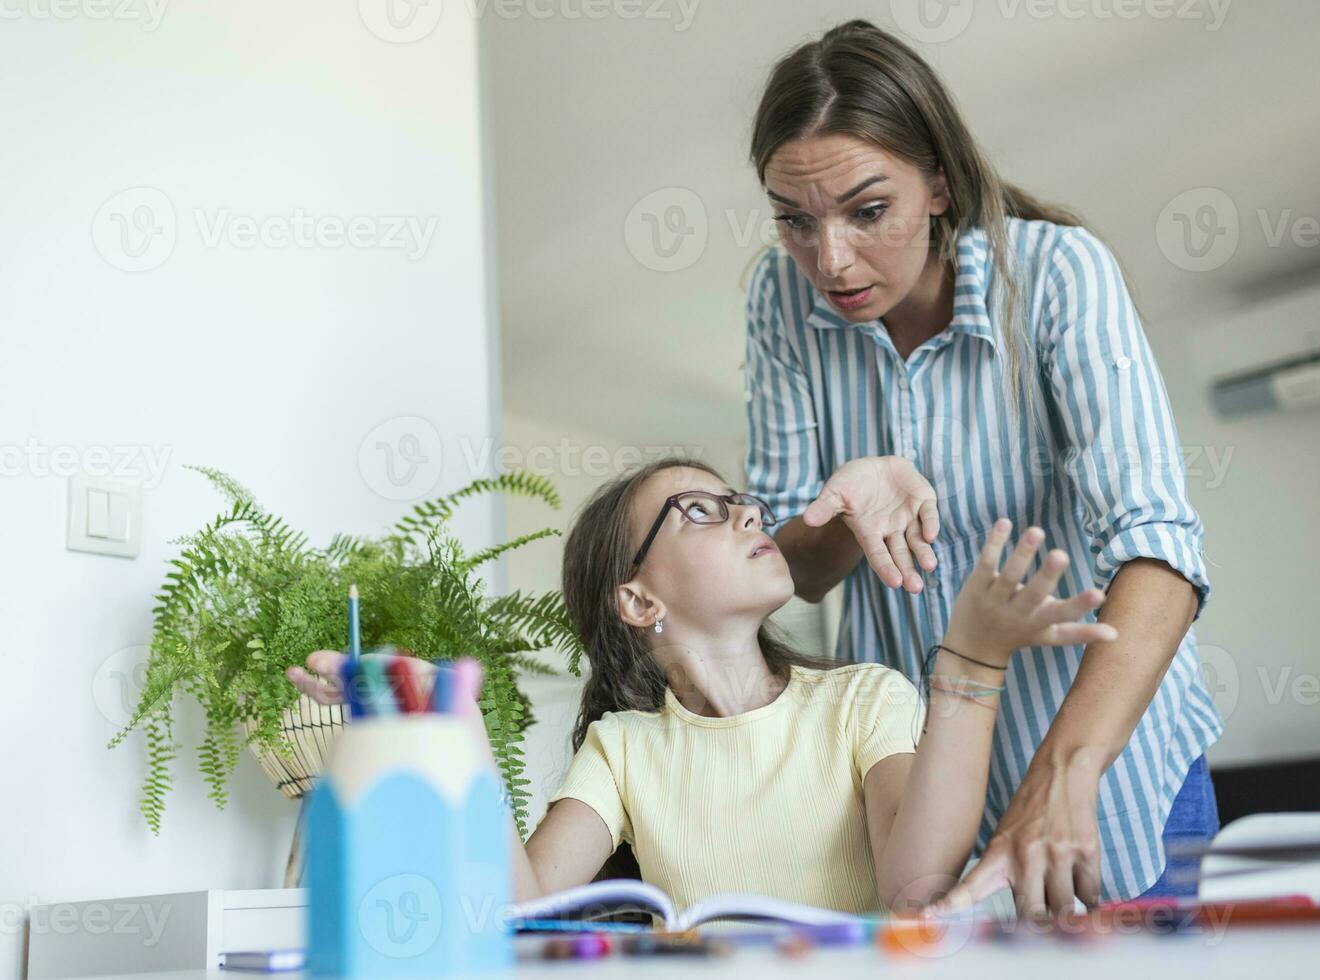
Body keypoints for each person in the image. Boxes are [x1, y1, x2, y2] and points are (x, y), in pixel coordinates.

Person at [743, 20, 1222, 913]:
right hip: (919, 799)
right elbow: (788, 571)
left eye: (867, 209)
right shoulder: (778, 301)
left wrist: (1064, 773)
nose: (830, 260)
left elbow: (1160, 551)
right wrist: (843, 507)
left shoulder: (1055, 275)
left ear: (937, 180)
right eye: (795, 221)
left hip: (1105, 774)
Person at [288, 457, 1115, 914]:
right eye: (699, 511)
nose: (751, 515)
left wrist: (972, 665)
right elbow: (522, 904)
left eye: (739, 502)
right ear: (640, 600)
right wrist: (455, 720)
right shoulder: (624, 750)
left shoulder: (864, 701)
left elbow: (918, 889)